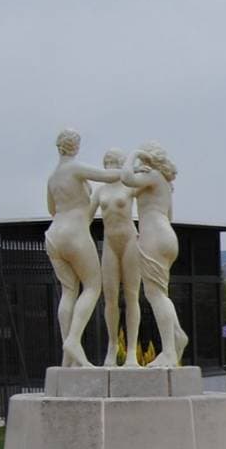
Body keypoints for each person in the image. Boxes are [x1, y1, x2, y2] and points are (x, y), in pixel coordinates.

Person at [45, 129, 126, 367]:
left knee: (69, 291)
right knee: (92, 286)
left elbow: (51, 208)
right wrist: (133, 167)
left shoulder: (52, 177)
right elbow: (109, 177)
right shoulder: (76, 168)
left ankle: (68, 358)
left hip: (53, 235)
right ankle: (72, 341)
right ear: (75, 147)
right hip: (75, 233)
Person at [120, 142, 188, 367]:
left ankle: (169, 351)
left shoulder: (152, 176)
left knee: (155, 295)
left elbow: (126, 179)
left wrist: (133, 153)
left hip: (153, 236)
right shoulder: (164, 183)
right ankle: (177, 336)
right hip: (167, 236)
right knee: (160, 294)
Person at [91, 148, 141, 367]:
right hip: (110, 244)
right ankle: (112, 346)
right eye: (107, 160)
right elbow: (85, 216)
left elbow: (150, 192)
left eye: (114, 160)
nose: (110, 164)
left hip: (130, 241)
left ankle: (131, 351)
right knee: (110, 299)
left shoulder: (129, 186)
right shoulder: (100, 190)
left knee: (131, 296)